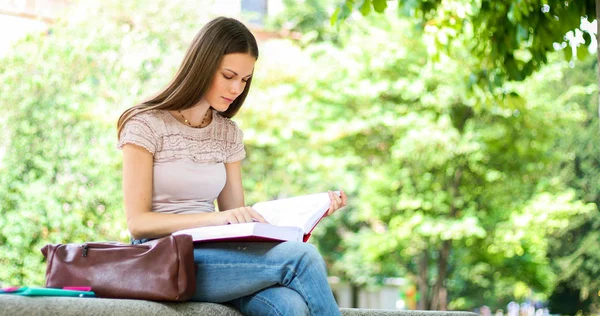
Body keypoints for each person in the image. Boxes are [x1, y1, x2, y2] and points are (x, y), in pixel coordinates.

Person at [116, 17, 347, 315]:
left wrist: (308, 213)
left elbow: (238, 221)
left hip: (215, 255)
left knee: (288, 305)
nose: (237, 88)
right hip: (164, 257)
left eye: (245, 80)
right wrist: (214, 220)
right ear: (202, 65)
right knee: (303, 258)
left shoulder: (227, 133)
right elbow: (138, 223)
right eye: (229, 75)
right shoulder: (145, 124)